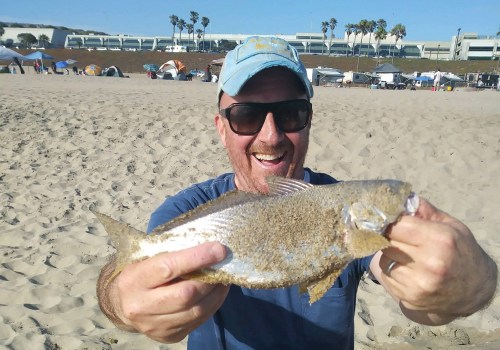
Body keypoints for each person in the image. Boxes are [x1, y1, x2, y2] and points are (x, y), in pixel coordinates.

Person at [96, 36, 497, 349]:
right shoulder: (189, 209)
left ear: (308, 121)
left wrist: (468, 284)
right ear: (220, 126)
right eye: (246, 116)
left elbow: (415, 293)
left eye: (290, 114)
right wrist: (121, 304)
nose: (270, 137)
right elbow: (123, 279)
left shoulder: (339, 204)